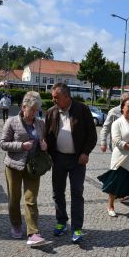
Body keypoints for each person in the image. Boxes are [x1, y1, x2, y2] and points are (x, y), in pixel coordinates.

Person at [45, 83, 97, 243]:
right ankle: (61, 222)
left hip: (77, 160)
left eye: (56, 97)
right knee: (57, 192)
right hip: (59, 159)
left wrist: (85, 153)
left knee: (76, 193)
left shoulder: (82, 110)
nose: (53, 100)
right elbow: (47, 135)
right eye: (53, 97)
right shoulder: (51, 112)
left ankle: (77, 228)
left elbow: (92, 135)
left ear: (67, 97)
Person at [0, 91, 48, 246]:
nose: (35, 113)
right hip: (13, 166)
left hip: (33, 168)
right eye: (32, 109)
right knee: (14, 199)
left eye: (37, 110)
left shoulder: (40, 123)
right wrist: (21, 146)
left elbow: (44, 142)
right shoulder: (12, 122)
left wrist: (44, 146)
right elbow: (3, 144)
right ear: (23, 107)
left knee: (31, 200)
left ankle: (33, 233)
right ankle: (15, 224)